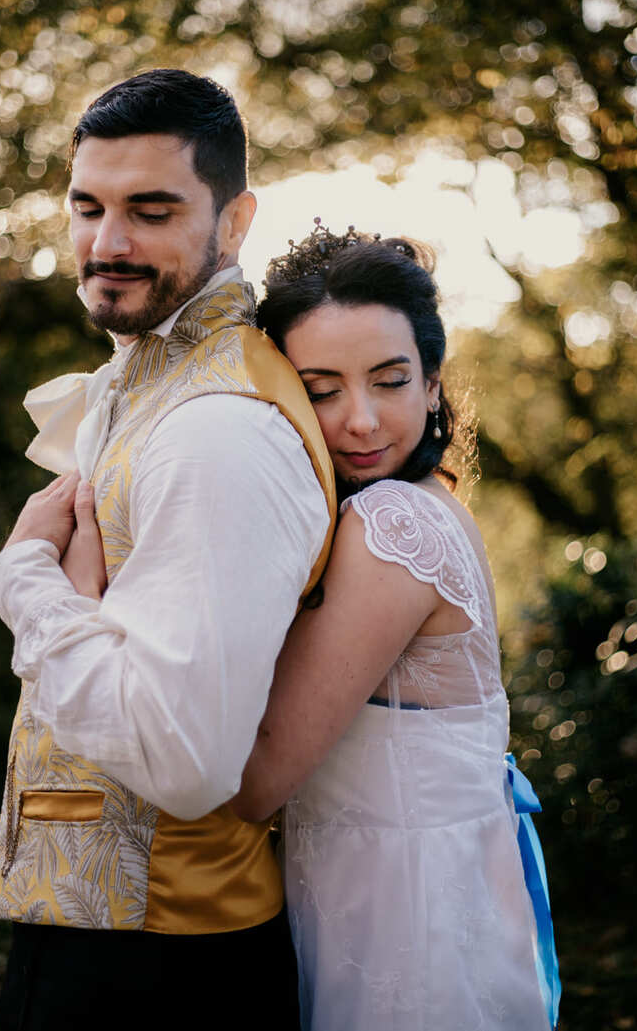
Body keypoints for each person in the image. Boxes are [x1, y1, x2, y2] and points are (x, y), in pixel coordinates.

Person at [0, 70, 337, 1029]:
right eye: (87, 207)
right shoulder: (148, 382)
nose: (107, 243)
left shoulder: (217, 427)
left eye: (151, 209)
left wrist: (26, 585)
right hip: (101, 936)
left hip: (163, 968)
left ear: (234, 220)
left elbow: (185, 761)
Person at [230, 223, 562, 1030]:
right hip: (430, 886)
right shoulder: (434, 500)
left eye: (388, 380)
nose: (362, 421)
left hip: (402, 916)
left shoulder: (391, 525)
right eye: (322, 388)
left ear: (433, 383)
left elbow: (261, 780)